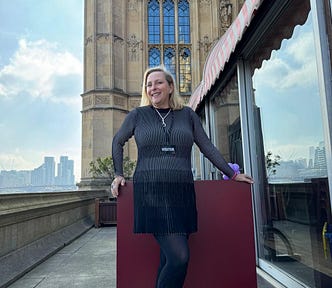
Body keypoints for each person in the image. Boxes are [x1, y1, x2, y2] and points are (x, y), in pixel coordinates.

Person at [111, 65, 254, 288]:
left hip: (181, 193)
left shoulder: (187, 115)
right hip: (151, 194)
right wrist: (118, 174)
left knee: (168, 259)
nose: (152, 88)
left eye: (158, 82)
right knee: (179, 257)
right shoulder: (138, 116)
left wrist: (232, 174)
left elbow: (206, 146)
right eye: (148, 85)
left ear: (170, 87)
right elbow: (117, 141)